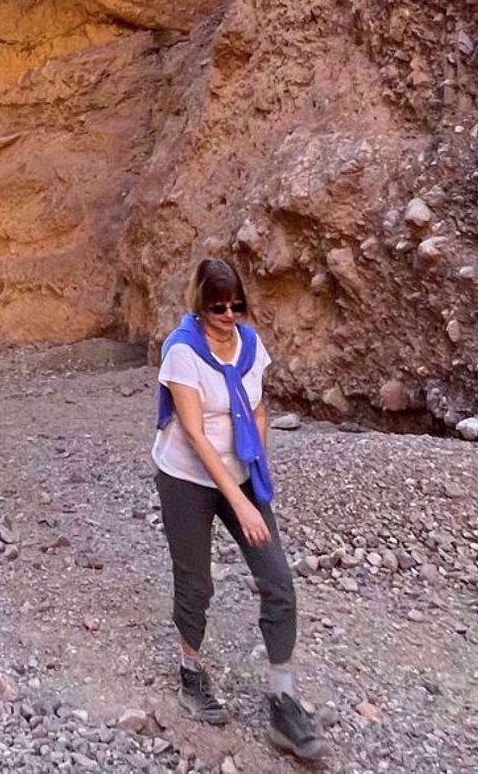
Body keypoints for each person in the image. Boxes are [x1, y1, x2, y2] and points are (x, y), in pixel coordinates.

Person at [152, 256, 326, 762]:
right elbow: (195, 433)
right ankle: (190, 672)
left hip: (242, 472)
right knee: (196, 582)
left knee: (278, 581)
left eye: (236, 305)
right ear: (200, 305)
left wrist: (259, 466)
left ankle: (285, 702)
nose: (229, 315)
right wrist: (238, 502)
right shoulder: (182, 352)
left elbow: (256, 406)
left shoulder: (250, 344)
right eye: (217, 307)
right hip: (187, 477)